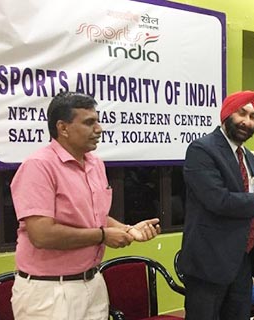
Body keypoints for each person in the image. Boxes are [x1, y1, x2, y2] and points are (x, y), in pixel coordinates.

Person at [10, 92, 161, 320]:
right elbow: (41, 234)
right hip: (50, 292)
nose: (99, 129)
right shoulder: (38, 166)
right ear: (63, 128)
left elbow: (95, 218)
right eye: (89, 122)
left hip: (92, 283)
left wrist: (127, 229)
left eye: (97, 121)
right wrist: (102, 236)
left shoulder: (95, 164)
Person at [178, 90, 254, 320]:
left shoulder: (248, 158)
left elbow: (253, 213)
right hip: (208, 265)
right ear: (227, 114)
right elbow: (218, 200)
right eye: (242, 113)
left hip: (242, 263)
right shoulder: (202, 150)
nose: (247, 121)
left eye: (253, 117)